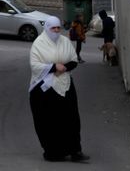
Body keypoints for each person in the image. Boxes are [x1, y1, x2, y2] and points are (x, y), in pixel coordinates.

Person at [28, 16, 90, 163]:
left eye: (58, 28)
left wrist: (63, 68)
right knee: (49, 121)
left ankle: (75, 151)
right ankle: (54, 152)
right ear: (47, 28)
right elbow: (34, 65)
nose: (56, 31)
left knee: (72, 119)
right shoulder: (38, 44)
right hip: (45, 88)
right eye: (53, 28)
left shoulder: (65, 42)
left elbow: (73, 60)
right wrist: (53, 67)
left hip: (65, 84)